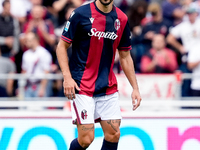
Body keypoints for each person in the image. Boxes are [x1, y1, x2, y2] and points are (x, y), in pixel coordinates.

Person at [56, 0, 142, 149]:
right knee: (86, 139)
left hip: (107, 85)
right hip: (81, 84)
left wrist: (135, 87)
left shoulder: (121, 18)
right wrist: (67, 78)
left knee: (114, 134)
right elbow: (61, 46)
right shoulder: (80, 14)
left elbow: (125, 56)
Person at [167, 4, 200, 97]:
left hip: (198, 54)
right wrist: (180, 47)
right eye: (188, 13)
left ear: (196, 13)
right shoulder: (183, 26)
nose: (190, 15)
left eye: (192, 13)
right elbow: (170, 38)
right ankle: (185, 105)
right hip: (188, 54)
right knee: (186, 80)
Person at [22, 32, 52, 97]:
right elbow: (24, 71)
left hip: (39, 85)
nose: (26, 42)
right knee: (26, 106)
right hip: (28, 85)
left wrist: (42, 88)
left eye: (28, 40)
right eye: (26, 40)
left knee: (39, 106)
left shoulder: (44, 53)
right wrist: (21, 87)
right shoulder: (25, 54)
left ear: (35, 40)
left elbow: (46, 72)